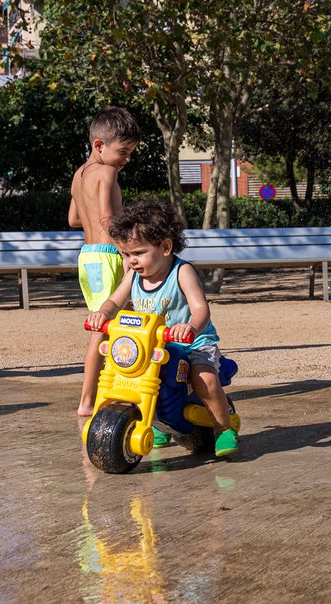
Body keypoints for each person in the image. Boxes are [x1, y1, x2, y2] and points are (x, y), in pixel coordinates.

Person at [86, 200, 240, 457]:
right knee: (131, 377)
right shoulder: (134, 275)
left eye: (138, 253)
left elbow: (201, 308)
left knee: (204, 378)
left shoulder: (182, 272)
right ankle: (157, 421)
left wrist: (190, 326)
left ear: (165, 246)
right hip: (153, 344)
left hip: (192, 343)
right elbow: (115, 300)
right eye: (126, 255)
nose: (131, 261)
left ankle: (223, 428)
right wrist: (102, 313)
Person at [69, 107, 141, 417]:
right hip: (109, 255)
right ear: (99, 146)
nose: (127, 159)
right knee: (112, 326)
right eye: (123, 151)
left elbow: (74, 219)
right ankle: (90, 399)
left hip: (88, 258)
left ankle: (102, 392)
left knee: (105, 325)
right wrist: (128, 253)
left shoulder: (79, 174)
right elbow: (106, 218)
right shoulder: (107, 172)